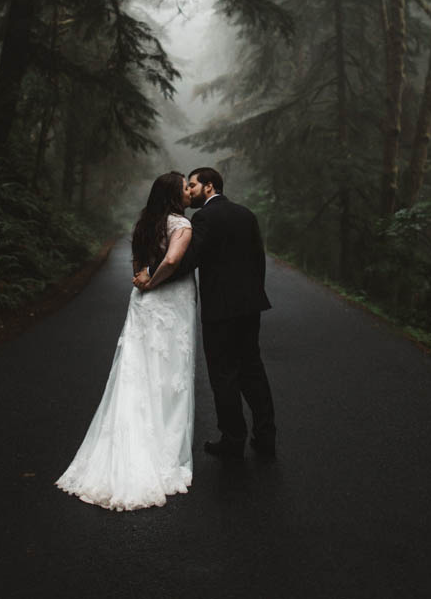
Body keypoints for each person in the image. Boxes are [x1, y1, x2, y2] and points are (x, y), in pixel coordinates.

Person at [55, 172, 196, 511]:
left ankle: (125, 445)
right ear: (174, 195)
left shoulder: (144, 224)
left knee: (137, 373)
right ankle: (161, 451)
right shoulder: (182, 226)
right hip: (170, 301)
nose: (189, 192)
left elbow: (137, 266)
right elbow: (174, 261)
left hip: (143, 306)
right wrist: (155, 282)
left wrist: (143, 280)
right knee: (170, 375)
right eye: (184, 189)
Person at [135, 166, 276, 459]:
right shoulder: (246, 214)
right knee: (252, 369)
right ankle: (265, 436)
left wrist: (150, 273)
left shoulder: (205, 217)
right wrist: (253, 294)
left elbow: (187, 260)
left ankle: (233, 440)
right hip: (251, 306)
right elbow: (258, 260)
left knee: (224, 373)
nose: (190, 191)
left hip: (221, 310)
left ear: (209, 186)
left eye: (194, 185)